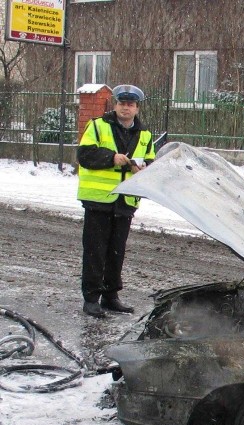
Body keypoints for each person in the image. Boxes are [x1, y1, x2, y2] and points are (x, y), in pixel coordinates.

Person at [77, 84, 155, 318]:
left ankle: (111, 296)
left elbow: (151, 163)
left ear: (137, 108)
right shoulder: (98, 127)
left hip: (125, 202)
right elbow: (85, 155)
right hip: (98, 200)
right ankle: (91, 298)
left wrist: (143, 168)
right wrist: (112, 158)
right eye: (122, 103)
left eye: (130, 105)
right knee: (95, 251)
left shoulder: (145, 135)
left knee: (116, 252)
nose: (126, 108)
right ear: (115, 105)